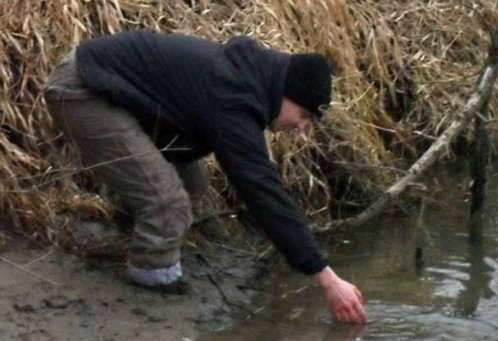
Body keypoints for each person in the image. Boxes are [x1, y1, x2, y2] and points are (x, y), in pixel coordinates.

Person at [43, 30, 367, 324]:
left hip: (114, 90)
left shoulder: (247, 82)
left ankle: (127, 237)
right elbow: (262, 192)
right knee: (168, 204)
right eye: (305, 115)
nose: (302, 127)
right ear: (286, 93)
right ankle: (151, 291)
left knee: (192, 185)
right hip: (83, 90)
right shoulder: (236, 97)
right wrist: (326, 278)